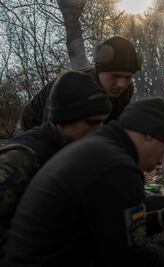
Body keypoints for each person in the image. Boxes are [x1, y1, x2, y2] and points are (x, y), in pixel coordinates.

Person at [2, 98, 164, 267]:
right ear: (148, 135)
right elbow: (134, 262)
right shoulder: (118, 168)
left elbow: (114, 227)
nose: (161, 161)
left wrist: (163, 217)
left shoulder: (100, 149)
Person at [0, 71, 112, 244]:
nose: (100, 131)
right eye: (92, 123)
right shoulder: (22, 158)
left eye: (103, 122)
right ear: (65, 119)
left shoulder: (74, 152)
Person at [19, 36, 141, 132]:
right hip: (31, 128)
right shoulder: (73, 88)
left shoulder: (127, 90)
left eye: (128, 77)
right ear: (99, 71)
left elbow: (112, 127)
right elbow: (51, 133)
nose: (121, 84)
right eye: (115, 76)